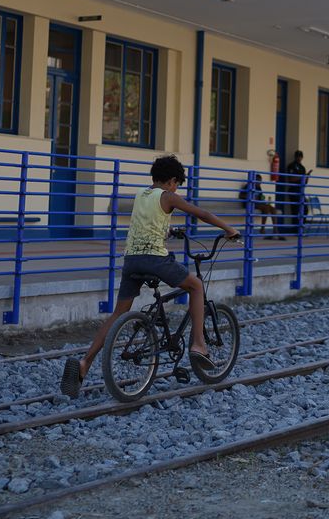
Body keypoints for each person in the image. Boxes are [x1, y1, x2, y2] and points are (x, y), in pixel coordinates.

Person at [60, 155, 238, 398]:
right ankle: (199, 345)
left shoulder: (141, 195)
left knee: (118, 313)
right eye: (177, 184)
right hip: (155, 259)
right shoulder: (168, 196)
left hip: (132, 259)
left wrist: (170, 229)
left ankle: (84, 363)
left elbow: (148, 221)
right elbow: (202, 213)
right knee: (196, 286)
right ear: (172, 180)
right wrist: (229, 229)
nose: (176, 189)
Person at [238, 173, 281, 239]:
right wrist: (250, 197)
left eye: (260, 181)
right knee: (266, 208)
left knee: (272, 209)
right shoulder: (248, 186)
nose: (259, 183)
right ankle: (262, 228)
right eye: (258, 181)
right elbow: (241, 196)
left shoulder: (258, 187)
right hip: (249, 204)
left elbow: (261, 197)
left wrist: (262, 198)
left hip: (257, 203)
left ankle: (275, 229)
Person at [282, 150, 309, 235]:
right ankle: (295, 230)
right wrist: (302, 177)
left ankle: (301, 227)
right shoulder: (291, 166)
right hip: (293, 190)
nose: (299, 158)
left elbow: (304, 182)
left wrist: (307, 177)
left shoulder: (302, 167)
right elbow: (291, 179)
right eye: (298, 156)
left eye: (300, 156)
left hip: (300, 190)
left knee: (305, 209)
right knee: (295, 210)